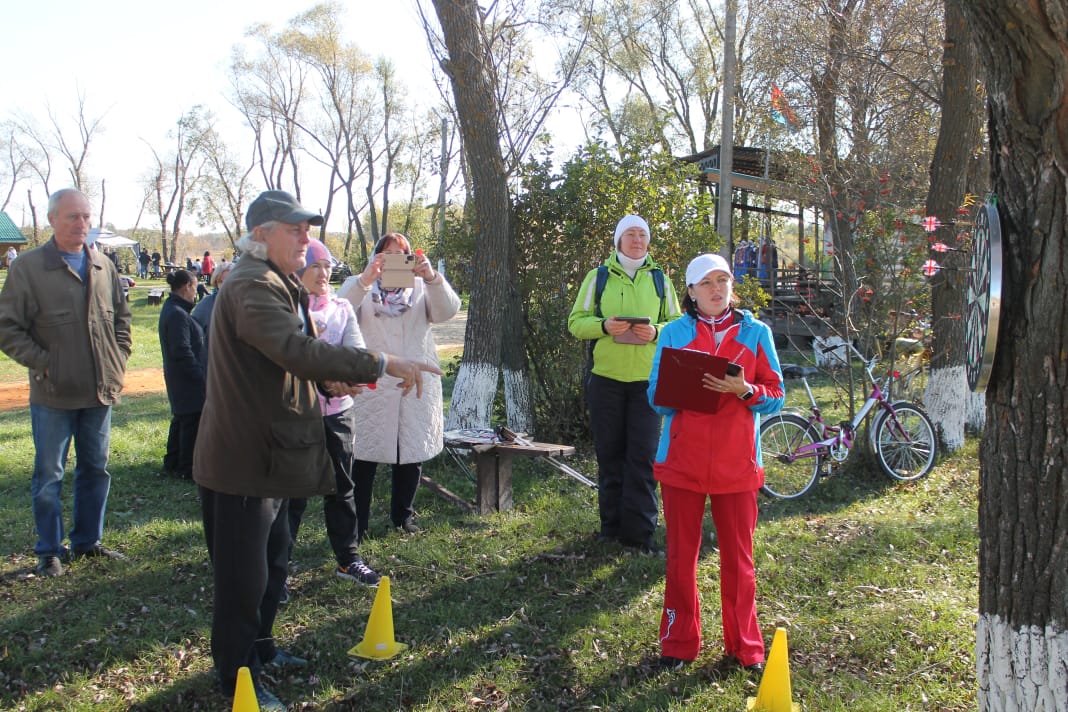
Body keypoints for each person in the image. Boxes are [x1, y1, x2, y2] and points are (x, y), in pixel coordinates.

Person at [193, 190, 441, 710]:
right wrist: (379, 363)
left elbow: (285, 365)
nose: (308, 240)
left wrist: (332, 384)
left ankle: (261, 651)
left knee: (273, 563)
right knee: (243, 578)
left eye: (309, 230)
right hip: (244, 460)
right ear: (261, 234)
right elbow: (295, 351)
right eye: (296, 230)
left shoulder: (277, 281)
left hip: (275, 454)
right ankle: (237, 678)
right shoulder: (251, 283)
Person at [647, 253, 784, 673]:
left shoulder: (756, 332)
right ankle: (678, 643)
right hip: (682, 463)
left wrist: (745, 390)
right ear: (690, 291)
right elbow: (655, 396)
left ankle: (746, 648)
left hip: (736, 464)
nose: (716, 288)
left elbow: (777, 394)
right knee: (680, 557)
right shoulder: (672, 332)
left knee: (739, 559)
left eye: (723, 279)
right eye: (706, 282)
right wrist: (682, 389)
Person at [0, 188, 132, 578]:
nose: (81, 224)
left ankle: (88, 542)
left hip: (98, 391)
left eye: (86, 216)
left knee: (96, 468)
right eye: (72, 216)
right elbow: (7, 327)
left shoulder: (103, 265)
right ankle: (48, 551)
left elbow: (122, 322)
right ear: (52, 220)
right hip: (53, 393)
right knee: (49, 475)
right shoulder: (28, 268)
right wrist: (45, 363)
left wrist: (117, 359)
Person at [567, 214, 680, 553]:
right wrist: (604, 326)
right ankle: (610, 530)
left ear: (648, 241)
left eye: (642, 234)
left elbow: (677, 323)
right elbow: (576, 322)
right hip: (606, 382)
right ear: (618, 241)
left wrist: (657, 332)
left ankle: (641, 535)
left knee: (643, 458)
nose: (636, 240)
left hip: (648, 383)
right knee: (610, 455)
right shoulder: (597, 277)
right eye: (629, 234)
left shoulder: (661, 280)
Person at [339, 232, 461, 540]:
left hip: (414, 381)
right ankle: (359, 523)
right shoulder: (361, 286)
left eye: (401, 254)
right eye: (387, 254)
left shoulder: (421, 288)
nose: (394, 261)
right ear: (375, 256)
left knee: (410, 452)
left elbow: (448, 311)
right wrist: (366, 279)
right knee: (363, 457)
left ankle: (402, 517)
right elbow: (338, 313)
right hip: (374, 382)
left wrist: (432, 277)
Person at [287, 238, 380, 587]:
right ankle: (277, 569)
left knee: (342, 488)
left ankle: (348, 560)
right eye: (315, 265)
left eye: (327, 266)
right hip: (297, 415)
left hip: (338, 413)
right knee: (292, 495)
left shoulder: (341, 308)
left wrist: (345, 378)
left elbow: (357, 355)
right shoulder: (288, 310)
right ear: (298, 271)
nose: (323, 272)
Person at [159, 269, 207, 480]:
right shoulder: (177, 314)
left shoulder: (173, 309)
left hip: (179, 376)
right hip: (187, 378)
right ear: (187, 286)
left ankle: (173, 461)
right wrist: (199, 375)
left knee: (181, 419)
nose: (195, 292)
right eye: (195, 287)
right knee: (190, 421)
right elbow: (182, 350)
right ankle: (186, 468)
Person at [191, 261, 233, 340]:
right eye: (221, 281)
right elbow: (192, 334)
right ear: (216, 284)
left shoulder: (246, 304)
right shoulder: (206, 304)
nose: (224, 285)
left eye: (228, 281)